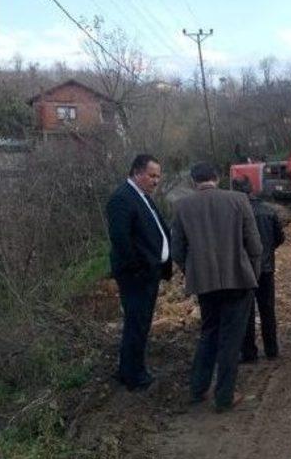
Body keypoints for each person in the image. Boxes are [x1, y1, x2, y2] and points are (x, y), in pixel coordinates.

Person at [171, 162, 262, 412]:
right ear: (218, 178)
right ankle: (224, 397)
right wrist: (252, 273)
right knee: (231, 340)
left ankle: (198, 388)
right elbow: (254, 245)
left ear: (193, 181)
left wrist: (194, 270)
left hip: (205, 283)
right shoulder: (239, 200)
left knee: (209, 333)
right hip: (238, 280)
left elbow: (177, 250)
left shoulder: (181, 206)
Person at [106, 154, 172, 391]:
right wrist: (138, 268)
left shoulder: (142, 196)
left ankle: (130, 368)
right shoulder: (122, 198)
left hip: (149, 272)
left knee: (141, 323)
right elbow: (121, 239)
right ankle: (133, 375)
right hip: (137, 276)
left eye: (158, 176)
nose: (156, 181)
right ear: (137, 172)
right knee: (136, 323)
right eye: (152, 175)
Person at [233, 176, 285, 362]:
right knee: (267, 309)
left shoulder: (234, 213)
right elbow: (280, 238)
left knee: (246, 312)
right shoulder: (268, 211)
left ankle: (249, 353)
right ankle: (272, 349)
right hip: (266, 268)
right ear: (251, 189)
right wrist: (267, 251)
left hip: (243, 270)